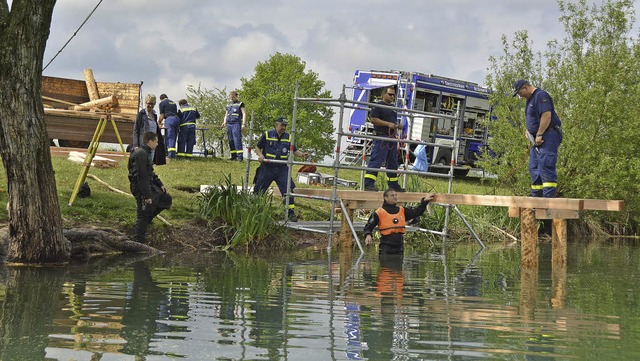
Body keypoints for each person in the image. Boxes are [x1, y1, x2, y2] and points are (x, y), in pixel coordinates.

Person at [512, 79, 563, 198]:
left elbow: (546, 115)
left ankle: (547, 202)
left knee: (546, 165)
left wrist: (539, 134)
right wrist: (529, 131)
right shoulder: (530, 100)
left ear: (525, 88)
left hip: (547, 136)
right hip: (536, 139)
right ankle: (536, 201)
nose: (520, 96)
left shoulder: (540, 96)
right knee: (534, 168)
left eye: (520, 93)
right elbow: (533, 117)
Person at [254, 116, 308, 222]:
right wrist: (260, 155)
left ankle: (290, 213)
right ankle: (253, 209)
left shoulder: (288, 137)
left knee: (288, 190)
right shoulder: (267, 134)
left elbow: (294, 150)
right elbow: (257, 147)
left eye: (285, 126)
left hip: (282, 169)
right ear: (276, 124)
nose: (284, 127)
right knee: (259, 189)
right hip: (267, 167)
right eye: (282, 125)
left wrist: (302, 155)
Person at [128, 131, 172, 244]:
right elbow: (142, 177)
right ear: (150, 142)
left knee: (166, 199)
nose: (157, 144)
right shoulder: (141, 154)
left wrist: (160, 184)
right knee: (143, 213)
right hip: (140, 187)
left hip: (148, 185)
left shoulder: (146, 153)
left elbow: (150, 173)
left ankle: (146, 220)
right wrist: (147, 195)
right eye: (156, 142)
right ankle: (138, 241)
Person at [364, 188, 433, 254]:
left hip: (399, 249)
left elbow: (417, 212)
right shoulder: (379, 213)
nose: (395, 197)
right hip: (386, 248)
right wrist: (368, 235)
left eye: (395, 195)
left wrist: (424, 202)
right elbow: (368, 226)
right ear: (385, 198)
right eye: (392, 195)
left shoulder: (402, 210)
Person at [364, 85, 405, 192]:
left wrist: (397, 125)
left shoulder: (393, 109)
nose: (392, 97)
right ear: (384, 94)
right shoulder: (377, 106)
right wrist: (388, 124)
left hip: (391, 138)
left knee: (392, 162)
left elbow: (392, 121)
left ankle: (393, 185)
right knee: (376, 160)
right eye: (390, 94)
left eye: (394, 95)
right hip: (381, 137)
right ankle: (368, 184)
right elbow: (373, 119)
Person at [132, 94, 166, 165]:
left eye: (152, 104)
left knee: (150, 165)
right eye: (149, 103)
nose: (150, 105)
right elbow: (136, 130)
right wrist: (135, 145)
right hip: (143, 145)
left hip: (153, 145)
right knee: (143, 165)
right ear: (145, 103)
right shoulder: (141, 114)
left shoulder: (155, 115)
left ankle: (149, 176)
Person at [221, 90, 247, 161]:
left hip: (236, 124)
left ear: (236, 96)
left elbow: (244, 114)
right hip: (229, 124)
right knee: (231, 140)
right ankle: (233, 156)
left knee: (237, 140)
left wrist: (243, 124)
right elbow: (226, 115)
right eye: (230, 97)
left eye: (233, 97)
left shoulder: (240, 104)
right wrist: (224, 122)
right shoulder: (228, 105)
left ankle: (240, 157)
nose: (231, 98)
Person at [158, 94, 180, 163]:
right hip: (177, 119)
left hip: (170, 119)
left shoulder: (162, 103)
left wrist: (159, 122)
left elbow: (162, 115)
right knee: (174, 137)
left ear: (161, 99)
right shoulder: (173, 102)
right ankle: (172, 153)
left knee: (170, 137)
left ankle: (170, 155)